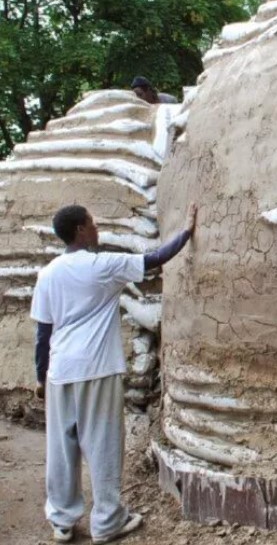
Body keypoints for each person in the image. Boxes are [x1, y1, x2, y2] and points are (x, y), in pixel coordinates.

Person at [31, 203, 197, 544]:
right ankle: (106, 521)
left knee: (62, 448)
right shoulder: (103, 266)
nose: (97, 227)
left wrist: (40, 376)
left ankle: (62, 521)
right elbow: (155, 259)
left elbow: (43, 334)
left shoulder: (48, 274)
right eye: (92, 222)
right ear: (80, 229)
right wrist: (188, 231)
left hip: (60, 371)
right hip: (97, 367)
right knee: (103, 442)